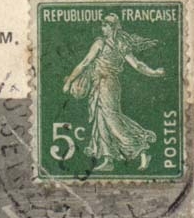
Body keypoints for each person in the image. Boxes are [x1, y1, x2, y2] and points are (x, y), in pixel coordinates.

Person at [63, 13, 166, 171]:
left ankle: (141, 149)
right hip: (98, 84)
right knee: (101, 120)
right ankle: (108, 160)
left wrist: (153, 72)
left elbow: (137, 64)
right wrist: (70, 80)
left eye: (105, 25)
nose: (102, 28)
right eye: (102, 25)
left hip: (109, 84)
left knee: (112, 120)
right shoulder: (100, 42)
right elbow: (85, 63)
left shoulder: (120, 44)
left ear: (112, 27)